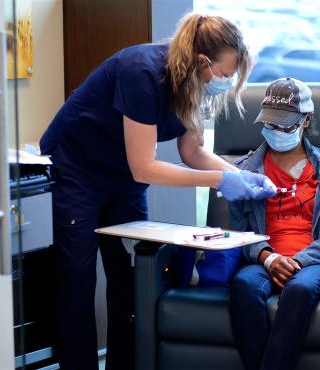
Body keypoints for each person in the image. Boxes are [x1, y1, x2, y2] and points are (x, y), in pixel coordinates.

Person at [39, 13, 276, 370]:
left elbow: (192, 151)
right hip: (77, 167)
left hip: (122, 176)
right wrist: (218, 182)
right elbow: (145, 166)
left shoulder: (196, 83)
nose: (227, 82)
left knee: (133, 275)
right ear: (203, 62)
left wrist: (244, 174)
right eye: (226, 74)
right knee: (78, 276)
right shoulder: (143, 72)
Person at [228, 77, 320, 370]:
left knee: (299, 289)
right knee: (243, 285)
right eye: (270, 123)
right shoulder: (244, 171)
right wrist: (269, 257)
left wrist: (296, 261)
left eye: (284, 125)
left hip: (319, 263)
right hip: (264, 260)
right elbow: (239, 233)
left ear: (306, 120)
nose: (275, 131)